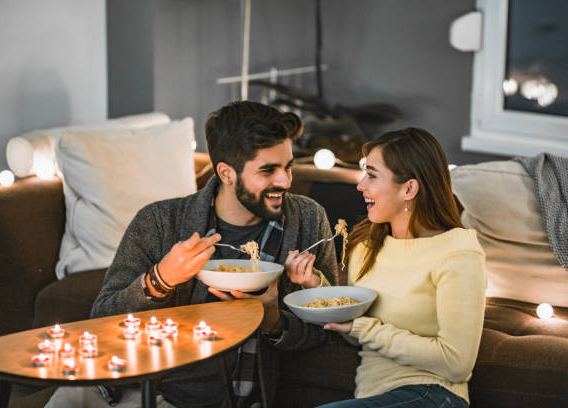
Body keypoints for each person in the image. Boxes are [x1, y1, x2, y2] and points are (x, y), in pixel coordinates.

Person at [86, 101, 338, 407]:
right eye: (267, 170)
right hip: (156, 393)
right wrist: (160, 280)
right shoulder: (158, 222)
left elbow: (327, 328)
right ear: (226, 173)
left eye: (287, 166)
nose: (284, 181)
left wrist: (273, 321)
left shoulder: (308, 220)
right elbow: (102, 320)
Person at [319, 128, 486, 408]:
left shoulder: (459, 253)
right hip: (375, 396)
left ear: (408, 188)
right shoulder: (365, 246)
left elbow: (456, 363)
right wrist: (317, 289)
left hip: (434, 395)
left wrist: (363, 328)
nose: (361, 185)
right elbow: (356, 336)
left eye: (372, 175)